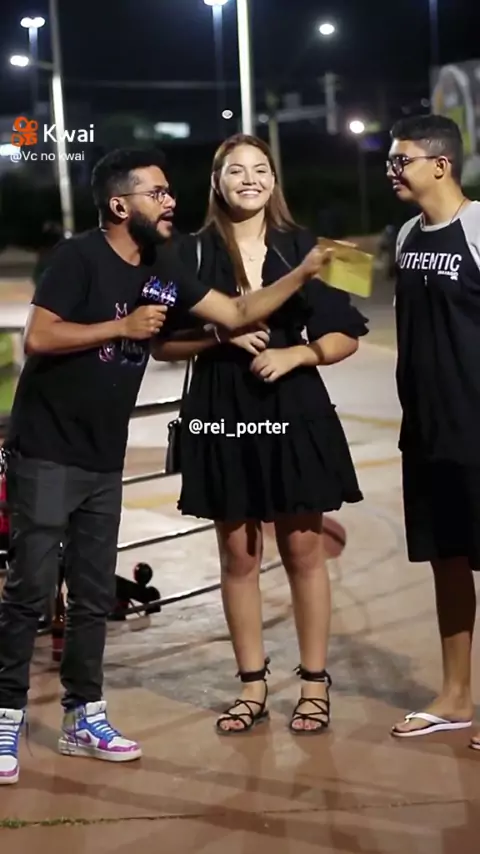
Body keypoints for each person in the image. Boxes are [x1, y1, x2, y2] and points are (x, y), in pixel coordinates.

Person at [0, 147, 333, 785]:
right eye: (156, 193)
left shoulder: (165, 262)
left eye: (169, 191)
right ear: (119, 204)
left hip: (103, 455)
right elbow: (39, 337)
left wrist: (299, 275)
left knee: (93, 596)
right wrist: (119, 326)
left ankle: (83, 716)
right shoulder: (78, 257)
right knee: (30, 592)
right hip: (47, 449)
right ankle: (6, 716)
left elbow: (236, 313)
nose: (170, 201)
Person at [153, 134, 368, 735]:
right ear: (216, 182)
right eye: (236, 170)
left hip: (294, 407)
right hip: (221, 410)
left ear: (274, 181)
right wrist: (215, 339)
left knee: (303, 550)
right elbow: (161, 344)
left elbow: (348, 333)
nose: (250, 179)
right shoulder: (186, 252)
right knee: (238, 555)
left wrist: (298, 354)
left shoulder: (315, 248)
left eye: (261, 169)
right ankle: (251, 685)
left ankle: (315, 684)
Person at [386, 115, 480, 744]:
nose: (392, 171)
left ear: (441, 165)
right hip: (425, 430)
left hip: (477, 426)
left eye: (403, 161)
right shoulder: (406, 235)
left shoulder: (478, 227)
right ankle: (455, 695)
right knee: (447, 560)